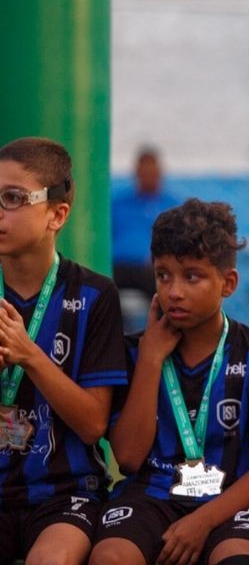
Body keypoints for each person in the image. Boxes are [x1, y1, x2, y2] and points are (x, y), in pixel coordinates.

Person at [90, 199, 249, 565]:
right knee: (110, 556)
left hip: (230, 501)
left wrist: (201, 521)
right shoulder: (134, 352)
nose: (173, 291)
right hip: (152, 496)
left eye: (191, 276)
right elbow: (128, 458)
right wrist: (152, 359)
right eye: (163, 274)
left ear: (228, 283)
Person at [0, 136, 128, 565]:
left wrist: (29, 355)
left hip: (66, 494)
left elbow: (93, 425)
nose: (0, 208)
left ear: (57, 214)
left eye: (13, 198)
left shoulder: (95, 296)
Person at [111, 147, 180, 300]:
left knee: (165, 287)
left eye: (152, 173)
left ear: (160, 173)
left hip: (152, 270)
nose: (148, 177)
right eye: (144, 173)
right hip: (119, 267)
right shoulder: (118, 204)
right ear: (136, 173)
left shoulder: (172, 207)